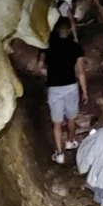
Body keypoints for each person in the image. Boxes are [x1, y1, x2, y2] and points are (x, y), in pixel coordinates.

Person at [37, 18, 87, 165]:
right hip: (71, 87)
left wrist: (48, 72)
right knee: (71, 118)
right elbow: (81, 72)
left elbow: (39, 66)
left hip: (54, 89)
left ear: (56, 30)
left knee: (57, 123)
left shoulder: (47, 46)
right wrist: (84, 91)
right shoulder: (75, 47)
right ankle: (70, 141)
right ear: (69, 31)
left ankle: (59, 154)